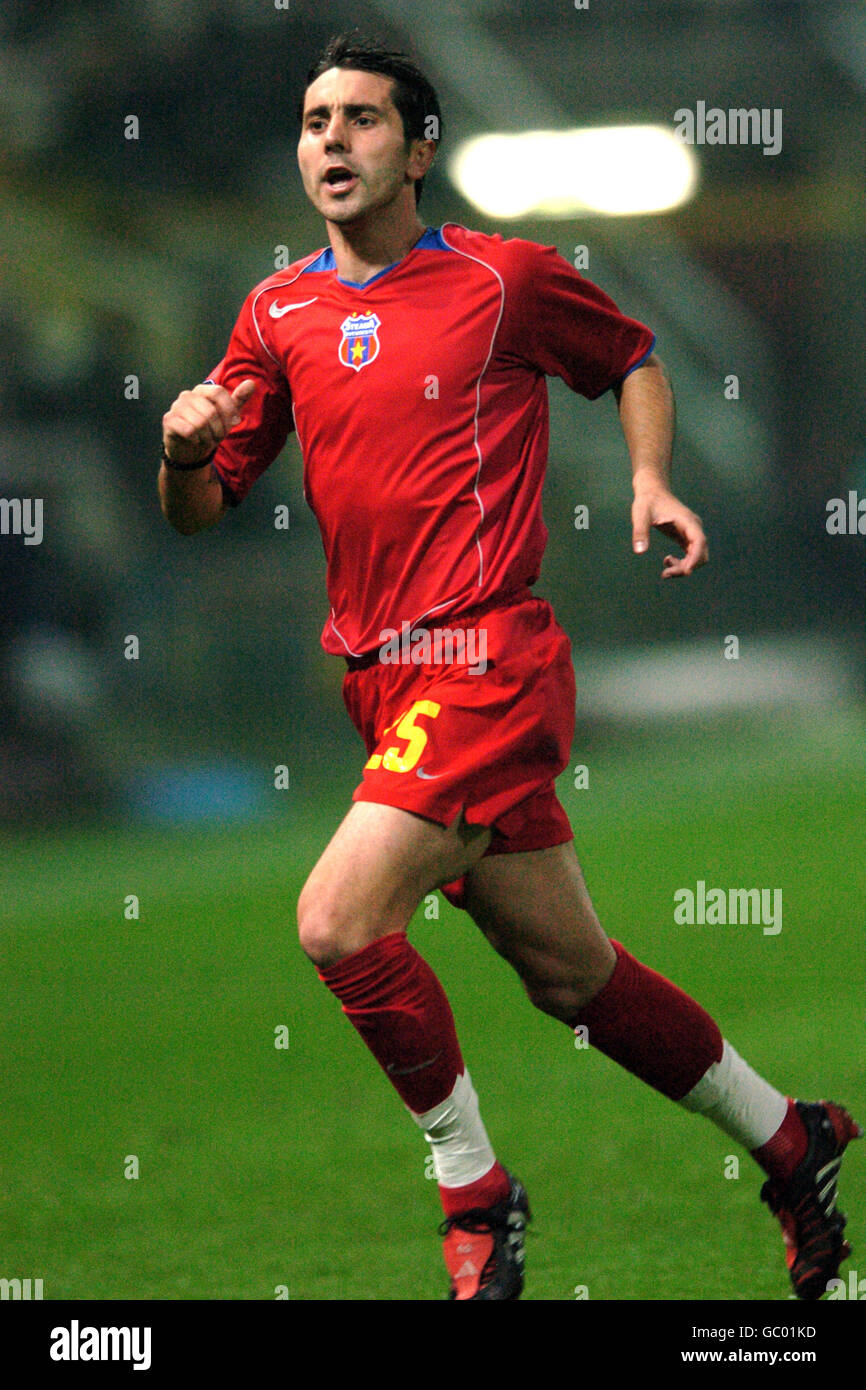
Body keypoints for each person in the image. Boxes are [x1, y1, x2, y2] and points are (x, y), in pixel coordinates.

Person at [158, 32, 859, 1301]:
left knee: (335, 919)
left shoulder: (503, 277)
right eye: (316, 120)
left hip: (484, 658)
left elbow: (633, 355)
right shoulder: (277, 311)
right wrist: (179, 447)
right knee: (571, 976)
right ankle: (787, 1134)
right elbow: (199, 507)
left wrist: (647, 479)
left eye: (362, 120)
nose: (331, 139)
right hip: (379, 682)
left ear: (417, 150)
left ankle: (474, 1192)